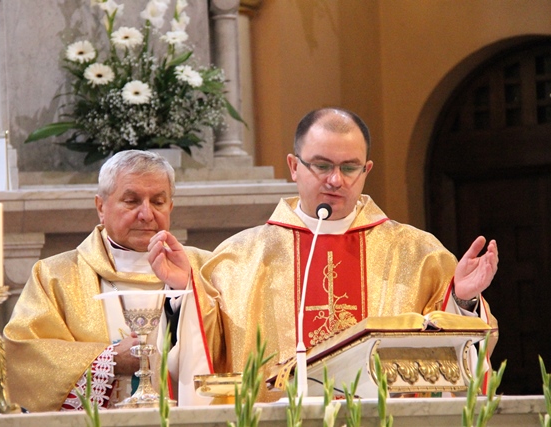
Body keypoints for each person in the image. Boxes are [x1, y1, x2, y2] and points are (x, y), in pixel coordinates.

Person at [193, 108, 499, 400]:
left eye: (349, 168)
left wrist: (462, 300)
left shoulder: (419, 253)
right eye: (322, 166)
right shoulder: (238, 258)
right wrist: (183, 296)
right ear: (294, 166)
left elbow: (453, 360)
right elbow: (203, 355)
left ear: (366, 170)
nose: (336, 180)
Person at [3, 150, 213, 412]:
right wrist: (109, 360)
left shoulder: (205, 268)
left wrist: (185, 292)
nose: (146, 214)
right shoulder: (55, 275)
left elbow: (231, 346)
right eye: (131, 201)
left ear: (170, 206)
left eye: (158, 202)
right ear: (101, 207)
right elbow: (26, 356)